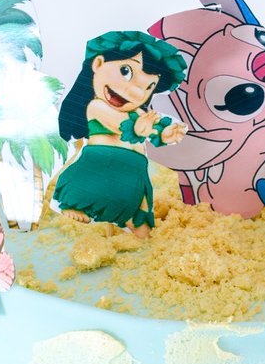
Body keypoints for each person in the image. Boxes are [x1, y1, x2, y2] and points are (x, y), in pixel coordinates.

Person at [52, 31, 187, 232]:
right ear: (98, 64)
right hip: (102, 160)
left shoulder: (140, 113)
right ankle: (74, 205)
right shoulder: (96, 106)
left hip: (135, 168)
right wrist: (140, 128)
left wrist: (165, 133)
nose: (137, 92)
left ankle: (138, 224)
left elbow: (155, 126)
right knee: (91, 188)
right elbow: (122, 125)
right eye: (126, 71)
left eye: (149, 86)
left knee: (137, 204)